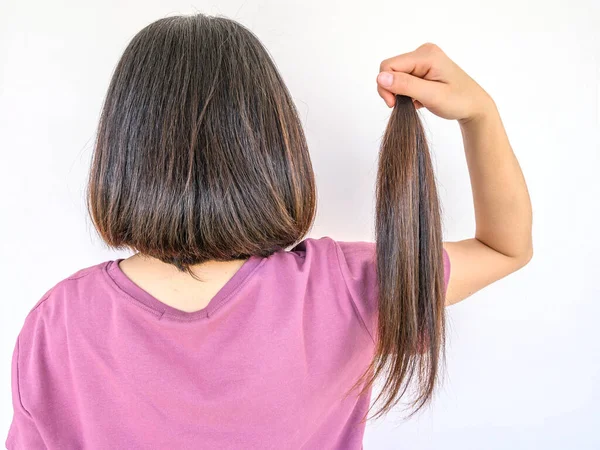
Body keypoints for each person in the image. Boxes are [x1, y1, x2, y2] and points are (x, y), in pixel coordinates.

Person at [5, 13, 532, 450]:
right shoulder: (342, 288)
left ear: (122, 152)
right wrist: (479, 114)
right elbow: (504, 247)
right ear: (273, 146)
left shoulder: (59, 323)